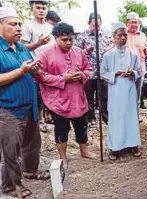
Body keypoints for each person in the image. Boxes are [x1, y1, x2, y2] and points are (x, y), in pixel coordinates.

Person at [0, 7, 49, 198]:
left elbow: (31, 68)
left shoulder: (20, 47)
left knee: (32, 143)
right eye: (13, 24)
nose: (19, 28)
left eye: (19, 24)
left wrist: (35, 69)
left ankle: (30, 170)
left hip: (30, 106)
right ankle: (12, 187)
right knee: (10, 151)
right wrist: (22, 71)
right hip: (8, 109)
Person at [36, 22, 93, 168]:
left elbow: (88, 69)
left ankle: (84, 151)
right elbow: (40, 76)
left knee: (82, 126)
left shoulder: (79, 52)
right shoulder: (45, 53)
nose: (68, 42)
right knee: (61, 129)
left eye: (71, 39)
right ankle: (63, 156)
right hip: (58, 101)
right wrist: (63, 79)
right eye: (64, 40)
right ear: (56, 37)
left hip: (78, 98)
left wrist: (81, 74)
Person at [100, 22, 142, 160]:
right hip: (115, 90)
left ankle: (133, 145)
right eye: (120, 35)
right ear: (114, 37)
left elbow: (139, 71)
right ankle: (115, 148)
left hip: (129, 90)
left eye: (125, 35)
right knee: (116, 118)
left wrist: (133, 73)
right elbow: (102, 73)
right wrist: (115, 74)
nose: (123, 38)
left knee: (130, 117)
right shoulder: (108, 55)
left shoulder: (133, 54)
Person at [21, 0, 55, 130]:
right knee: (38, 94)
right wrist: (38, 43)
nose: (41, 10)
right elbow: (22, 47)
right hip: (35, 66)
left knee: (51, 92)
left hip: (50, 66)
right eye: (38, 7)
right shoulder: (28, 26)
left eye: (43, 8)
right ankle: (39, 120)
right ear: (32, 8)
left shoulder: (50, 28)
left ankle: (51, 116)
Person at [75, 13, 110, 125]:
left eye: (98, 25)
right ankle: (90, 118)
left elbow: (110, 48)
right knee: (88, 96)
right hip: (89, 72)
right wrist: (85, 51)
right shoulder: (82, 36)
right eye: (93, 25)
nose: (96, 28)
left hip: (104, 72)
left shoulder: (106, 35)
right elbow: (76, 53)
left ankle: (105, 117)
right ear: (89, 23)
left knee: (104, 96)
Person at [126, 12, 147, 116]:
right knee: (126, 94)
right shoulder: (123, 35)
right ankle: (126, 116)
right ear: (127, 23)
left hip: (139, 70)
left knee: (137, 94)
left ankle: (135, 116)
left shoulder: (143, 36)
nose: (134, 24)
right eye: (132, 22)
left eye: (136, 22)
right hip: (125, 70)